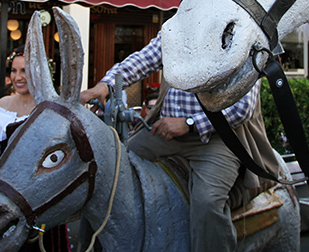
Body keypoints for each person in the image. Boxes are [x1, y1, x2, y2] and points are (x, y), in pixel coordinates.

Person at [79, 31, 279, 252]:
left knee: (207, 203)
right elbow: (145, 58)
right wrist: (105, 86)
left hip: (218, 139)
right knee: (111, 172)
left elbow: (242, 109)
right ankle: (88, 247)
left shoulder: (242, 36)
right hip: (164, 133)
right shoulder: (179, 26)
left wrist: (189, 123)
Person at [0, 49, 69, 251]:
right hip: (3, 195)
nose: (18, 77)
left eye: (24, 71)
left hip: (40, 198)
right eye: (14, 70)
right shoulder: (2, 104)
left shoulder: (51, 107)